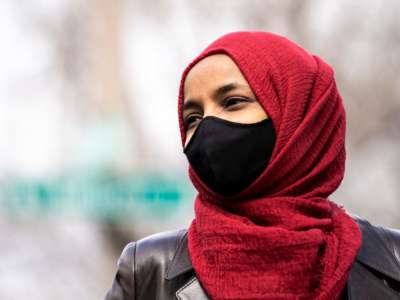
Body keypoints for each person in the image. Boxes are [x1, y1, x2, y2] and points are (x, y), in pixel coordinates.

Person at [105, 31, 400, 300]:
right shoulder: (147, 270)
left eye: (232, 102)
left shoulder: (392, 262)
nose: (207, 126)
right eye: (192, 118)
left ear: (299, 116)